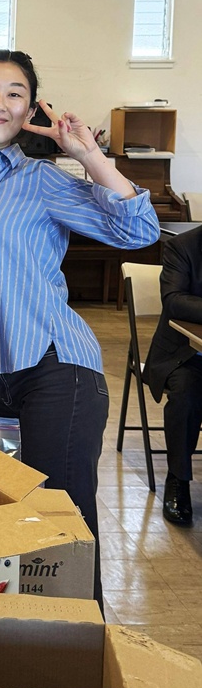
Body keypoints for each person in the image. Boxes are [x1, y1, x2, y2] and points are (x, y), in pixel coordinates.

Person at [0, 49, 160, 607]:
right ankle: (21, 647)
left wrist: (89, 155)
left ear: (29, 112)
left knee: (60, 535)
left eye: (15, 93)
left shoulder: (40, 180)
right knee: (6, 533)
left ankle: (82, 651)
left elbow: (139, 231)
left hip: (54, 369)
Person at [143, 225, 202, 525]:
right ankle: (178, 478)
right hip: (184, 354)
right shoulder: (183, 246)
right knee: (187, 394)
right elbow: (174, 300)